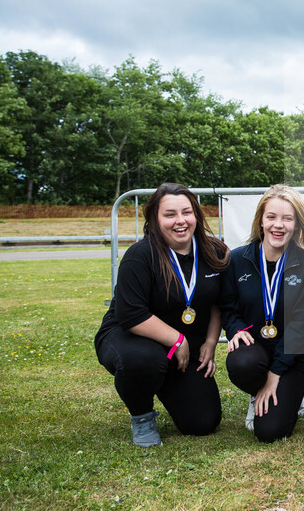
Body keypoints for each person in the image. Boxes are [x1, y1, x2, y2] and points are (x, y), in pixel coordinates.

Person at [95, 183, 229, 447]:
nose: (180, 221)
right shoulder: (140, 255)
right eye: (169, 214)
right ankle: (142, 415)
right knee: (143, 360)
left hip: (183, 348)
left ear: (197, 216)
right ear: (155, 219)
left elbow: (217, 303)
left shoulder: (215, 251)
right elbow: (131, 314)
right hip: (131, 337)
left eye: (187, 212)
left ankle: (162, 379)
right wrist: (177, 340)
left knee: (202, 423)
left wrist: (211, 343)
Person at [219, 185, 304, 443]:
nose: (278, 225)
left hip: (293, 355)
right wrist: (236, 329)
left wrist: (275, 375)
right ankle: (256, 392)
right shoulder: (237, 260)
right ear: (261, 220)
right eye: (271, 217)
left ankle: (288, 394)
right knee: (242, 363)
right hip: (255, 349)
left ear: (297, 223)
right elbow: (229, 307)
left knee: (270, 432)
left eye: (287, 218)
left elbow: (301, 325)